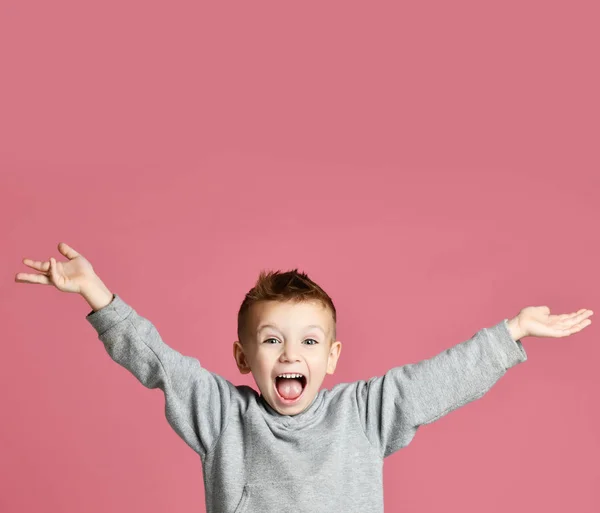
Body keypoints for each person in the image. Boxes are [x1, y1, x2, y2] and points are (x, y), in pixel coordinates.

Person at [15, 242, 593, 513]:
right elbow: (158, 360)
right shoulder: (223, 417)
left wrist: (509, 333)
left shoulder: (364, 414)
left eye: (309, 342)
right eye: (272, 341)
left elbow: (435, 381)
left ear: (333, 357)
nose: (291, 354)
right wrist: (96, 294)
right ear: (244, 359)